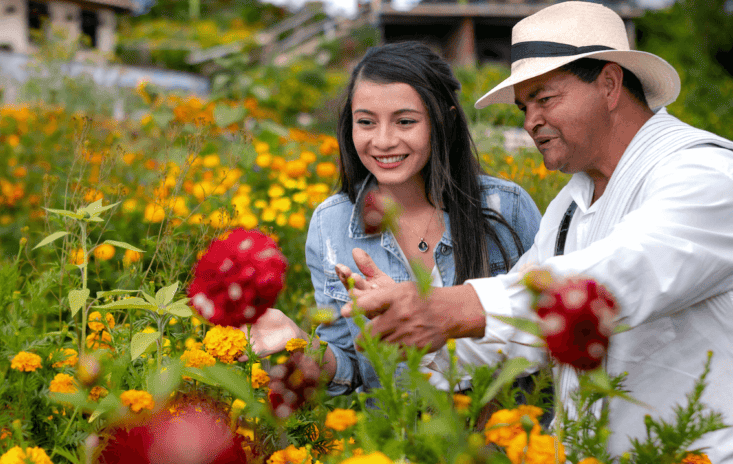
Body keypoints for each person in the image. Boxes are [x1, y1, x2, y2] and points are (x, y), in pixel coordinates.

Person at [343, 1, 733, 458]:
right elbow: (513, 323)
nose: (530, 122)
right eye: (525, 105)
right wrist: (405, 332)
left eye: (545, 98)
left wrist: (451, 306)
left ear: (609, 83)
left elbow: (618, 276)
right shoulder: (572, 202)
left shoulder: (706, 175)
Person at [248, 41, 542, 396]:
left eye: (405, 121)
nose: (383, 141)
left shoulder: (504, 208)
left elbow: (546, 327)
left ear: (444, 119)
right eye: (366, 123)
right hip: (396, 441)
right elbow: (352, 366)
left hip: (504, 439)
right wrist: (298, 344)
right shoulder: (333, 223)